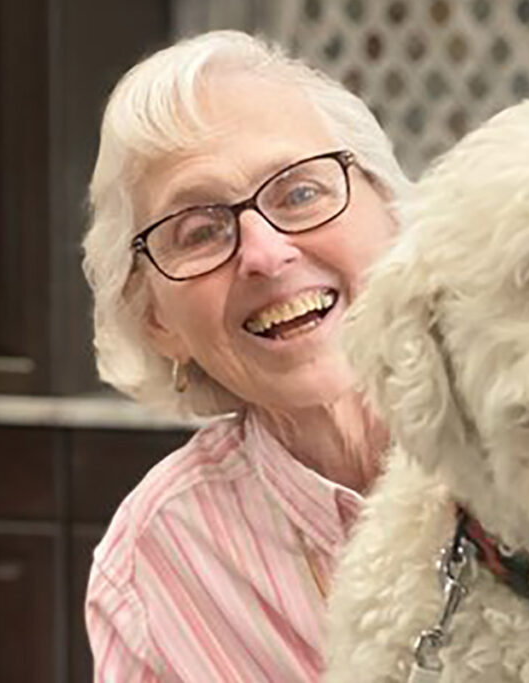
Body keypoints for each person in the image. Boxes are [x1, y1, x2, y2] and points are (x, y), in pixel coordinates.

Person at [82, 30, 410, 681]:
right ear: (156, 321)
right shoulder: (159, 564)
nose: (264, 253)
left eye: (299, 193)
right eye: (199, 231)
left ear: (393, 212)